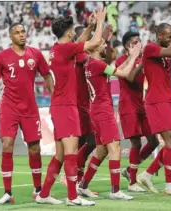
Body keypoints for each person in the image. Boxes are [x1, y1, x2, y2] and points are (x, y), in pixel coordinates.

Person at [36, 8, 107, 206]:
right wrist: (100, 22)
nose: (75, 33)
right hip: (66, 106)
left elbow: (78, 44)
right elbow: (91, 43)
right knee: (70, 151)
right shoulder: (66, 49)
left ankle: (44, 194)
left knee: (60, 154)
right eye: (72, 31)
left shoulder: (57, 49)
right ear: (68, 32)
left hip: (59, 105)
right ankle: (72, 197)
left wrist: (91, 26)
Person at [0, 22, 55, 204]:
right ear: (11, 37)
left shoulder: (36, 54)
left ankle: (38, 190)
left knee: (35, 148)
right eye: (17, 33)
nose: (21, 35)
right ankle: (7, 192)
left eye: (23, 31)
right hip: (9, 107)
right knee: (7, 144)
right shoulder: (1, 57)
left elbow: (47, 74)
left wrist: (54, 97)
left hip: (30, 108)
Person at [77, 38, 142, 200]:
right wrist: (133, 56)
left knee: (102, 150)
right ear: (95, 46)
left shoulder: (91, 64)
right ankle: (115, 190)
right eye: (103, 44)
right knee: (115, 147)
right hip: (103, 110)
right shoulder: (98, 64)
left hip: (96, 109)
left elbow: (117, 69)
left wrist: (130, 57)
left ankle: (83, 185)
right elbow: (125, 73)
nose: (106, 46)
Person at [137, 13, 171, 196]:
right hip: (156, 101)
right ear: (159, 36)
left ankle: (147, 174)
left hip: (167, 100)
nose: (170, 40)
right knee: (168, 141)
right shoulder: (150, 48)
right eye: (168, 37)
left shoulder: (166, 51)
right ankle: (169, 185)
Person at [115, 31, 159, 193]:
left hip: (142, 106)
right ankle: (132, 182)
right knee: (136, 143)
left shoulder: (142, 60)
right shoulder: (121, 61)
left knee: (154, 141)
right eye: (136, 42)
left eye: (140, 41)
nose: (140, 44)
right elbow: (131, 78)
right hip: (128, 106)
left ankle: (128, 171)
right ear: (128, 45)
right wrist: (142, 63)